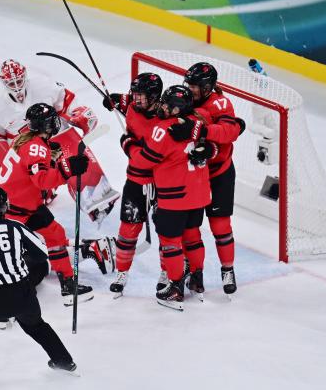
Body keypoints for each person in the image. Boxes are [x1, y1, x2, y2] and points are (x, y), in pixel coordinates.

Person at [0, 102, 114, 306]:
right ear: (46, 125)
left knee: (55, 234)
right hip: (15, 213)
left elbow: (30, 171)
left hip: (21, 206)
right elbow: (42, 181)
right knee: (25, 262)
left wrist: (55, 161)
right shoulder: (36, 147)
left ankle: (68, 284)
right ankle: (6, 299)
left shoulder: (26, 140)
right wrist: (67, 170)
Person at [0, 187, 78, 382]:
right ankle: (63, 360)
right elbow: (41, 254)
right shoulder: (16, 227)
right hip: (23, 295)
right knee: (36, 325)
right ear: (6, 206)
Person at [0, 59, 119, 223]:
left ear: (25, 74)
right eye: (11, 82)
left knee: (77, 161)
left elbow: (67, 101)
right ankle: (46, 193)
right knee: (33, 197)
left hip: (57, 136)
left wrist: (79, 113)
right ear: (3, 82)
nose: (17, 86)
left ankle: (94, 194)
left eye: (19, 80)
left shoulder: (44, 86)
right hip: (27, 151)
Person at [125, 85, 217, 310]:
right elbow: (215, 147)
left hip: (174, 197)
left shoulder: (162, 128)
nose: (162, 107)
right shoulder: (198, 123)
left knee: (170, 243)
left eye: (168, 105)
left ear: (178, 109)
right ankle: (197, 279)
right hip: (199, 194)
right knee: (193, 237)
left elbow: (143, 161)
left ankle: (176, 288)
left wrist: (128, 144)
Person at [167, 62, 245, 296]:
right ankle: (194, 270)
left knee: (220, 225)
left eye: (195, 85)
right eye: (188, 84)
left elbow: (230, 132)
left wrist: (199, 131)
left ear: (209, 86)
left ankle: (228, 269)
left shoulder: (220, 103)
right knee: (190, 228)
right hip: (193, 176)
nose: (190, 89)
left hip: (219, 173)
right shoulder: (184, 100)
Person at [101, 73, 163, 295]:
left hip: (162, 182)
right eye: (134, 95)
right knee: (128, 229)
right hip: (136, 178)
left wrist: (128, 145)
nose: (135, 100)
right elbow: (124, 101)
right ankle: (122, 271)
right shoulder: (133, 105)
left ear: (155, 97)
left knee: (167, 231)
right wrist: (115, 99)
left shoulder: (165, 116)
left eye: (141, 96)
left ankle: (168, 273)